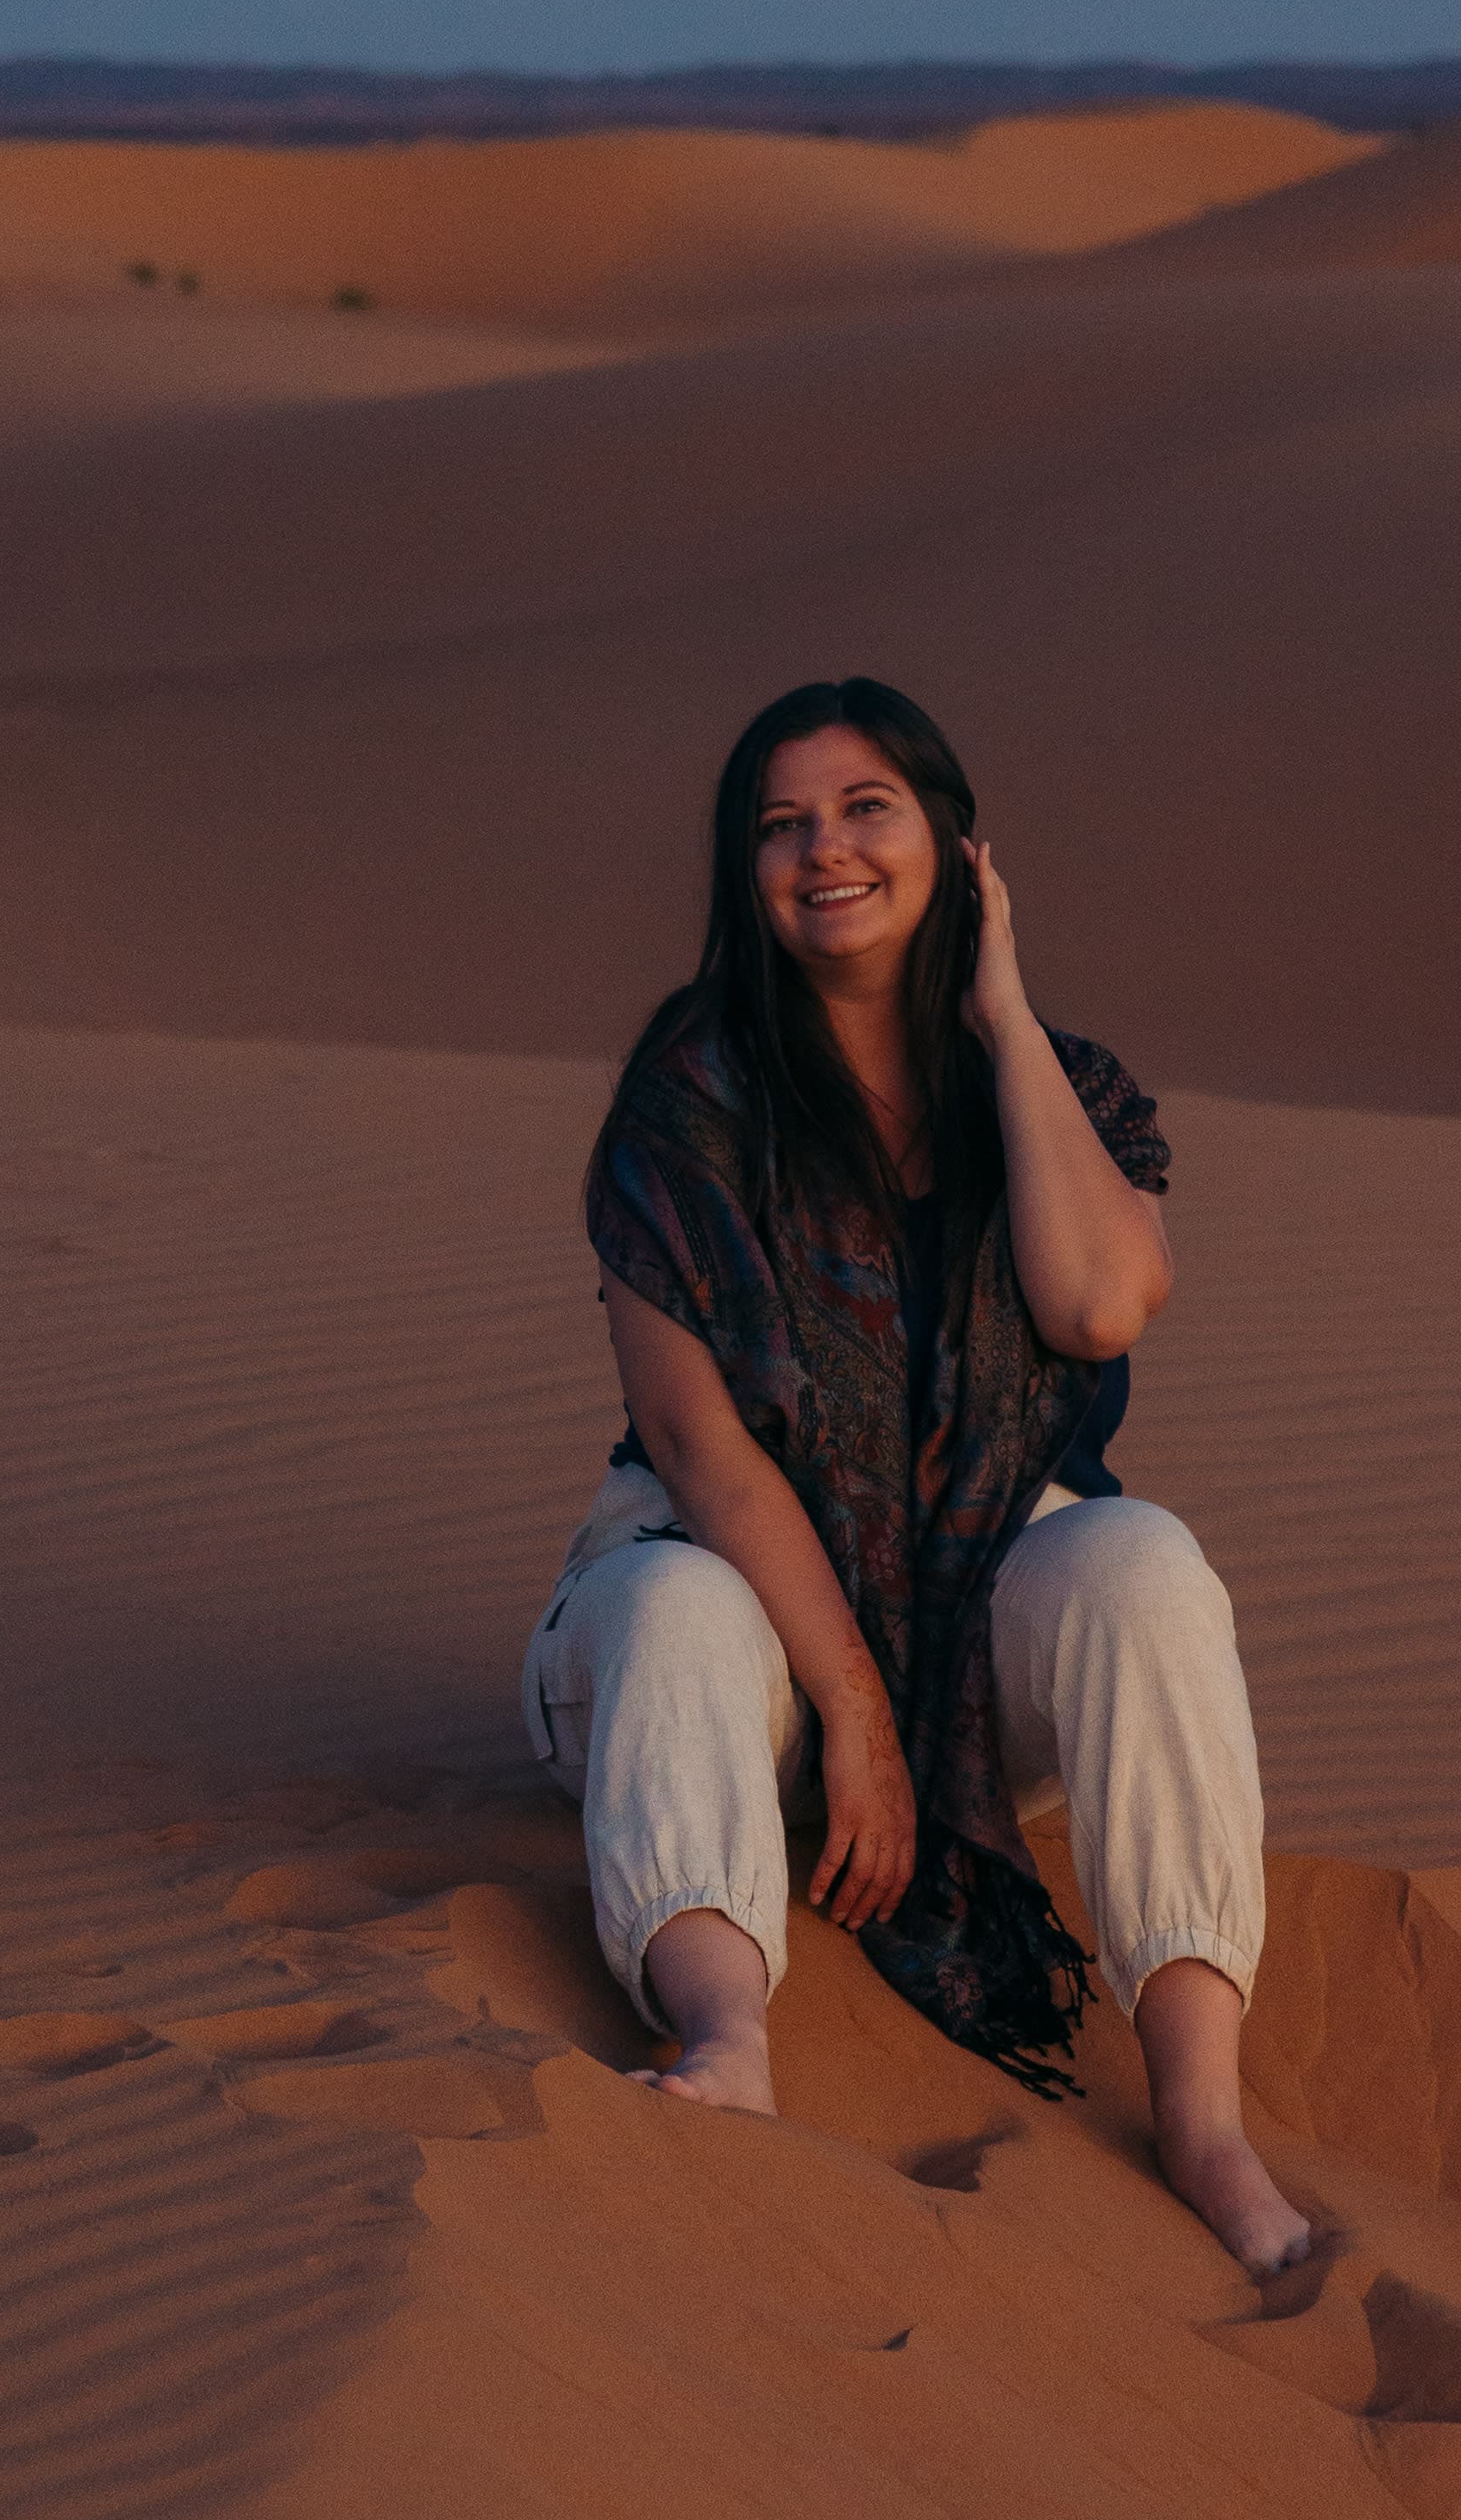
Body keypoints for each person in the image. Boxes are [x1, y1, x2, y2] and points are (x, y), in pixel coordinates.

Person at [520, 674, 1311, 2278]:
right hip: (723, 1628)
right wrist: (858, 1721)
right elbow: (702, 1453)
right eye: (780, 825)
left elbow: (1094, 1302)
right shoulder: (684, 1112)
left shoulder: (1062, 1089)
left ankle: (1203, 2117)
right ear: (743, 874)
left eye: (865, 808)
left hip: (973, 1633)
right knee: (673, 1595)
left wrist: (1004, 1019)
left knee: (1141, 1557)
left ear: (951, 841)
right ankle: (723, 2029)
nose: (826, 851)